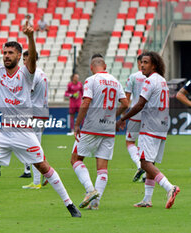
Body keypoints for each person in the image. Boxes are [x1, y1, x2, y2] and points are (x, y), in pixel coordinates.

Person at [0, 15, 81, 218]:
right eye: (5, 53)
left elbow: (33, 59)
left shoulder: (27, 74)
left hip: (22, 130)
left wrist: (31, 37)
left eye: (10, 53)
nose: (6, 56)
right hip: (0, 129)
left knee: (42, 166)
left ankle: (69, 204)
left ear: (19, 56)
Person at [117, 51, 180, 208]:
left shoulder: (150, 81)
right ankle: (147, 199)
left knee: (144, 162)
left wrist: (122, 118)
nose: (142, 65)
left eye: (146, 62)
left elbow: (139, 104)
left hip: (150, 126)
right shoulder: (162, 81)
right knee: (149, 161)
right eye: (141, 62)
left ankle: (169, 187)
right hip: (161, 125)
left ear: (154, 65)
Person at [71, 56, 128, 210]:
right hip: (108, 128)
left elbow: (86, 101)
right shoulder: (115, 81)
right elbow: (125, 103)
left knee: (76, 159)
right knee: (102, 167)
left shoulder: (92, 79)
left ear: (91, 67)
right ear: (105, 66)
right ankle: (95, 204)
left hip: (91, 126)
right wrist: (113, 116)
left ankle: (90, 190)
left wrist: (77, 124)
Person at [21, 50, 49, 189]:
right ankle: (47, 174)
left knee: (33, 148)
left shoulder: (33, 75)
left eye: (26, 60)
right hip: (41, 112)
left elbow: (26, 93)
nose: (24, 63)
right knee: (35, 146)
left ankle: (37, 182)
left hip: (34, 114)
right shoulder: (42, 73)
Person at [124, 54, 147, 182]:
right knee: (145, 143)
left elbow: (126, 100)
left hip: (135, 113)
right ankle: (145, 174)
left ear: (139, 63)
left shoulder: (133, 77)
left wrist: (123, 116)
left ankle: (139, 166)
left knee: (130, 142)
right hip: (149, 115)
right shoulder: (153, 77)